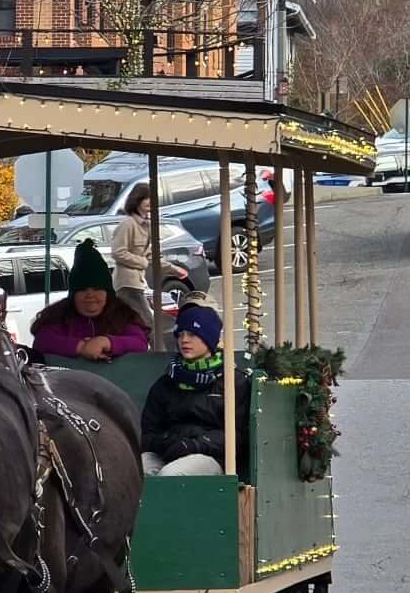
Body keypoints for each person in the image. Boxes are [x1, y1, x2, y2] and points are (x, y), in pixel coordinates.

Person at [140, 302, 252, 477]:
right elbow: (148, 432)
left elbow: (237, 435)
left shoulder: (231, 380)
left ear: (208, 338)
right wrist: (165, 442)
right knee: (136, 470)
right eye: (180, 334)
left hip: (212, 457)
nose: (184, 340)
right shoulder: (167, 381)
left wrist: (196, 445)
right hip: (168, 451)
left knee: (171, 475)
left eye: (192, 334)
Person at [30, 240, 149, 362]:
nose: (90, 294)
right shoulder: (58, 315)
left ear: (107, 293)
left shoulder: (123, 314)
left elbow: (140, 343)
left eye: (97, 288)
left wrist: (106, 342)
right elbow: (42, 341)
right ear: (73, 295)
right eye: (82, 289)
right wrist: (80, 347)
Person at [111, 183, 189, 331]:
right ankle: (157, 353)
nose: (151, 202)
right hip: (126, 284)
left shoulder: (146, 226)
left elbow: (151, 256)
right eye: (147, 198)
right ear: (137, 200)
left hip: (138, 284)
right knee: (148, 323)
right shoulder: (128, 224)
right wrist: (141, 262)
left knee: (134, 325)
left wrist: (174, 270)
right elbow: (118, 252)